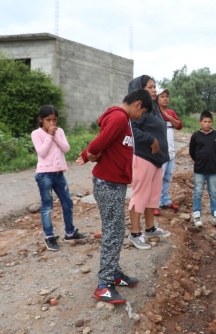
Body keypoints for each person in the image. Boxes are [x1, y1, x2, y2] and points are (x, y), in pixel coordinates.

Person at [76, 88, 152, 304]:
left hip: (114, 182)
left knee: (116, 228)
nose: (141, 117)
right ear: (137, 104)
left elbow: (104, 142)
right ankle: (104, 285)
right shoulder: (119, 117)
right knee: (113, 229)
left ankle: (115, 273)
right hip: (108, 183)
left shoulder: (122, 119)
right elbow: (97, 144)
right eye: (143, 112)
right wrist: (89, 153)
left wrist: (89, 154)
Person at [31, 105, 87, 251]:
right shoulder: (36, 134)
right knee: (47, 206)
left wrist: (55, 135)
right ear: (41, 119)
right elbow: (42, 152)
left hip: (59, 174)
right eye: (48, 120)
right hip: (44, 175)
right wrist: (49, 135)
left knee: (67, 202)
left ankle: (70, 232)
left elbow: (66, 148)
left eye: (54, 120)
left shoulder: (59, 131)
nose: (52, 123)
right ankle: (49, 236)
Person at [126, 75, 171, 250]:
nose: (154, 90)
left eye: (154, 86)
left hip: (157, 160)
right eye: (150, 87)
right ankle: (135, 233)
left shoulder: (154, 108)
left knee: (153, 195)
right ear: (139, 90)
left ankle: (150, 228)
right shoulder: (138, 109)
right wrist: (151, 140)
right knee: (140, 194)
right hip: (144, 157)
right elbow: (132, 130)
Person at [189, 110, 216, 227]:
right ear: (200, 122)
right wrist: (198, 161)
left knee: (213, 192)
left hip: (213, 169)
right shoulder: (196, 136)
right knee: (198, 192)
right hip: (199, 170)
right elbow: (192, 151)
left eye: (209, 122)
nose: (207, 124)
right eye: (205, 121)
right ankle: (197, 215)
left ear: (212, 122)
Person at [156, 87, 183, 214]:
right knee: (158, 178)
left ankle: (165, 200)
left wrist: (170, 118)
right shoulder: (154, 112)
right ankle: (154, 204)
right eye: (162, 96)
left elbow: (179, 125)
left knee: (167, 177)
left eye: (167, 96)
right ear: (157, 99)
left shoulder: (171, 112)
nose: (165, 98)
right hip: (160, 152)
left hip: (171, 151)